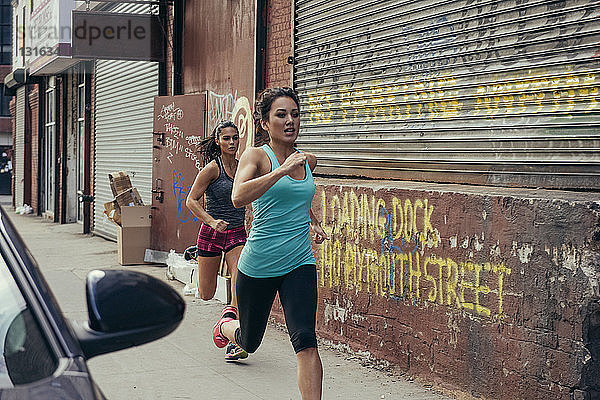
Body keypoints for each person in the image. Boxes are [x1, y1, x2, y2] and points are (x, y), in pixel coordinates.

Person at [213, 87, 329, 399]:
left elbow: (299, 200)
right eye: (281, 115)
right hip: (259, 266)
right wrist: (281, 171)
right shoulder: (255, 156)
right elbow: (238, 197)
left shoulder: (308, 161)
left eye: (295, 114)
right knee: (249, 342)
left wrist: (313, 222)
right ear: (265, 123)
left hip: (299, 262)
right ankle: (226, 324)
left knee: (305, 340)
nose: (290, 120)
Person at [185, 120, 248, 362]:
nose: (232, 142)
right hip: (211, 235)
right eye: (226, 139)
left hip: (236, 233)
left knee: (239, 284)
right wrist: (211, 221)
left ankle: (233, 335)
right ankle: (223, 322)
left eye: (235, 138)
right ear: (218, 142)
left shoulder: (244, 168)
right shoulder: (212, 169)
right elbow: (191, 200)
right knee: (206, 293)